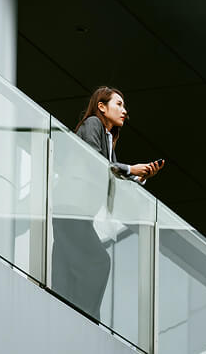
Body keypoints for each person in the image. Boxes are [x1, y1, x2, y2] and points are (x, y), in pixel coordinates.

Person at [51, 86, 164, 322]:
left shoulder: (108, 138)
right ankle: (85, 320)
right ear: (101, 106)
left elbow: (110, 173)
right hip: (71, 211)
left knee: (67, 272)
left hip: (73, 212)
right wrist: (131, 169)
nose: (124, 111)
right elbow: (96, 162)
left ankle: (70, 318)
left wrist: (139, 175)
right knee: (98, 262)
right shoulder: (93, 123)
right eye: (118, 104)